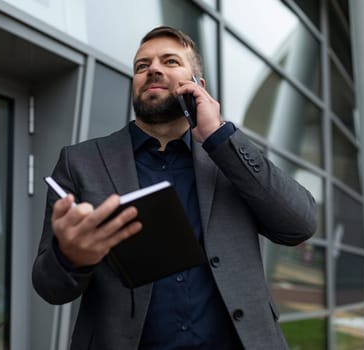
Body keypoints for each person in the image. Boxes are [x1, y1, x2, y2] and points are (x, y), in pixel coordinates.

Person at [32, 26, 317, 350]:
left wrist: (219, 135)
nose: (153, 69)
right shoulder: (79, 162)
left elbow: (300, 225)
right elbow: (49, 287)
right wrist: (71, 256)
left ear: (198, 85)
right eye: (142, 66)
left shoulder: (230, 158)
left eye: (170, 61)